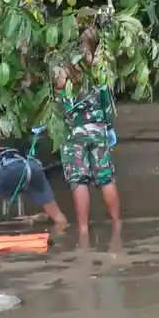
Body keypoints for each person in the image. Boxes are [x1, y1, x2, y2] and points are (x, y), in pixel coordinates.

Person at [56, 73, 121, 235]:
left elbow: (57, 105)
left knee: (78, 180)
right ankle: (117, 223)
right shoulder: (95, 69)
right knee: (105, 178)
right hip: (98, 130)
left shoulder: (60, 70)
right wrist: (109, 126)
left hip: (73, 132)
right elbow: (107, 102)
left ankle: (83, 229)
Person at [0, 140, 69, 230]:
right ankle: (63, 234)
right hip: (34, 168)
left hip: (13, 170)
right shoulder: (9, 151)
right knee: (56, 214)